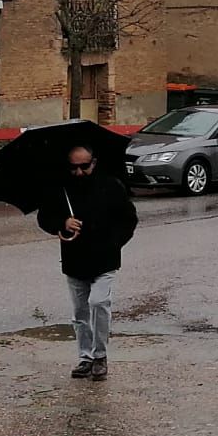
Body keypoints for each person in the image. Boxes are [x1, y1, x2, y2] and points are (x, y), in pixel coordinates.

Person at [37, 144, 138, 382]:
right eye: (74, 167)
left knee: (99, 302)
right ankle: (85, 357)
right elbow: (45, 218)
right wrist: (62, 223)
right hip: (75, 260)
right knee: (80, 313)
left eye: (84, 166)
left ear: (94, 162)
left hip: (105, 260)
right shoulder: (60, 189)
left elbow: (129, 220)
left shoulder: (111, 186)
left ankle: (100, 356)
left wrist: (113, 243)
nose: (79, 172)